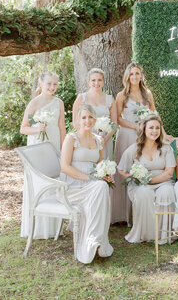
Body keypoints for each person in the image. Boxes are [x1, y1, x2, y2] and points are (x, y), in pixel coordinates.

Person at [111, 63, 173, 224]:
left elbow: (155, 115)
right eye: (131, 74)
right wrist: (136, 126)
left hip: (146, 136)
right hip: (127, 134)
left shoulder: (147, 94)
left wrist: (164, 134)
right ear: (127, 76)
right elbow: (118, 118)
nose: (134, 77)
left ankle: (139, 212)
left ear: (141, 75)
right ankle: (123, 215)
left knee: (141, 167)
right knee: (125, 169)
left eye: (137, 73)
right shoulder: (121, 95)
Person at [60, 104, 114, 264]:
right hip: (72, 186)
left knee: (102, 187)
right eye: (84, 117)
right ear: (78, 120)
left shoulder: (98, 140)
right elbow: (64, 167)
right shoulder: (71, 138)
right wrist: (89, 179)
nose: (87, 120)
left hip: (93, 185)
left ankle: (97, 241)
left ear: (94, 119)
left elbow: (98, 165)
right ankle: (93, 241)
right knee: (100, 187)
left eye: (90, 117)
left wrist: (106, 174)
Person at [20, 71, 66, 239]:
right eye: (49, 84)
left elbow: (62, 127)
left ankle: (54, 228)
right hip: (37, 145)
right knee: (40, 181)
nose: (52, 87)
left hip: (53, 143)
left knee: (54, 179)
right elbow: (23, 128)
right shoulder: (34, 103)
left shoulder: (59, 102)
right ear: (41, 84)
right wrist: (37, 129)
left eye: (55, 84)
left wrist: (63, 150)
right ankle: (37, 227)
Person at [117, 114, 176, 244]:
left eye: (157, 128)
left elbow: (169, 173)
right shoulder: (134, 149)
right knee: (144, 194)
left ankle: (164, 234)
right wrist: (133, 178)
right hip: (140, 185)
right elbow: (121, 169)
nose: (154, 131)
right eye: (151, 128)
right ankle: (147, 234)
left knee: (167, 193)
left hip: (163, 182)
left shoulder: (166, 148)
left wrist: (150, 181)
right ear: (144, 130)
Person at [72, 68, 117, 160]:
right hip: (86, 139)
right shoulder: (81, 98)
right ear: (89, 82)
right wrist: (90, 136)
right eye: (93, 80)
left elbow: (114, 124)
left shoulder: (109, 99)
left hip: (105, 139)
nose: (96, 83)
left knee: (104, 167)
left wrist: (105, 139)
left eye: (99, 80)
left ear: (103, 82)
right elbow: (75, 123)